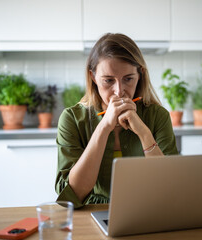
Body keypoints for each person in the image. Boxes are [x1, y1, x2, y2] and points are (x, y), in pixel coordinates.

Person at [55, 33, 178, 208]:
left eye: (128, 79)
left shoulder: (158, 116)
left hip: (148, 208)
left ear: (140, 75)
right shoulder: (72, 119)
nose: (119, 91)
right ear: (93, 77)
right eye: (108, 81)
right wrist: (104, 126)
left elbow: (170, 187)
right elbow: (72, 196)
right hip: (92, 212)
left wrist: (144, 133)